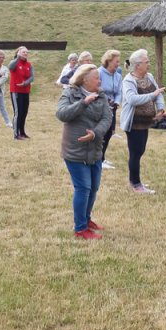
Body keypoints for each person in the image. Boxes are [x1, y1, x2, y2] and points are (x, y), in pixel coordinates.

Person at [56, 64, 113, 240]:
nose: (100, 80)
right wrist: (82, 103)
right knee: (83, 188)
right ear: (85, 80)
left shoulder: (101, 95)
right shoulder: (70, 93)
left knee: (93, 187)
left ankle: (87, 220)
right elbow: (62, 114)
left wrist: (95, 133)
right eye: (97, 77)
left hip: (95, 149)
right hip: (75, 150)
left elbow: (107, 118)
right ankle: (80, 229)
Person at [120, 49, 165, 194]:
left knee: (140, 151)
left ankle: (135, 180)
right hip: (133, 123)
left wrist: (160, 109)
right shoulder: (128, 80)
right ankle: (135, 184)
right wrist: (154, 94)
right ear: (137, 65)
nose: (149, 64)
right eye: (147, 62)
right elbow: (132, 99)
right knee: (135, 152)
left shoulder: (149, 76)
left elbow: (158, 94)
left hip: (146, 122)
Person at [97, 50, 122, 170]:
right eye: (116, 61)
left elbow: (119, 92)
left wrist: (116, 102)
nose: (118, 64)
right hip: (100, 106)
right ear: (109, 61)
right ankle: (98, 160)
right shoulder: (99, 72)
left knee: (109, 133)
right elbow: (96, 88)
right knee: (101, 133)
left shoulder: (118, 76)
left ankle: (102, 158)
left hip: (112, 108)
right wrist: (106, 99)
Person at [8, 46, 34, 140]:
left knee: (24, 112)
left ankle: (22, 132)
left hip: (25, 91)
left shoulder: (29, 64)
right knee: (18, 112)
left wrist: (25, 83)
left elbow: (32, 77)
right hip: (16, 91)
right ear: (18, 52)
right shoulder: (14, 62)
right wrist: (18, 57)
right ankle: (16, 134)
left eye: (26, 52)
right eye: (23, 52)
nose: (25, 53)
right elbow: (10, 67)